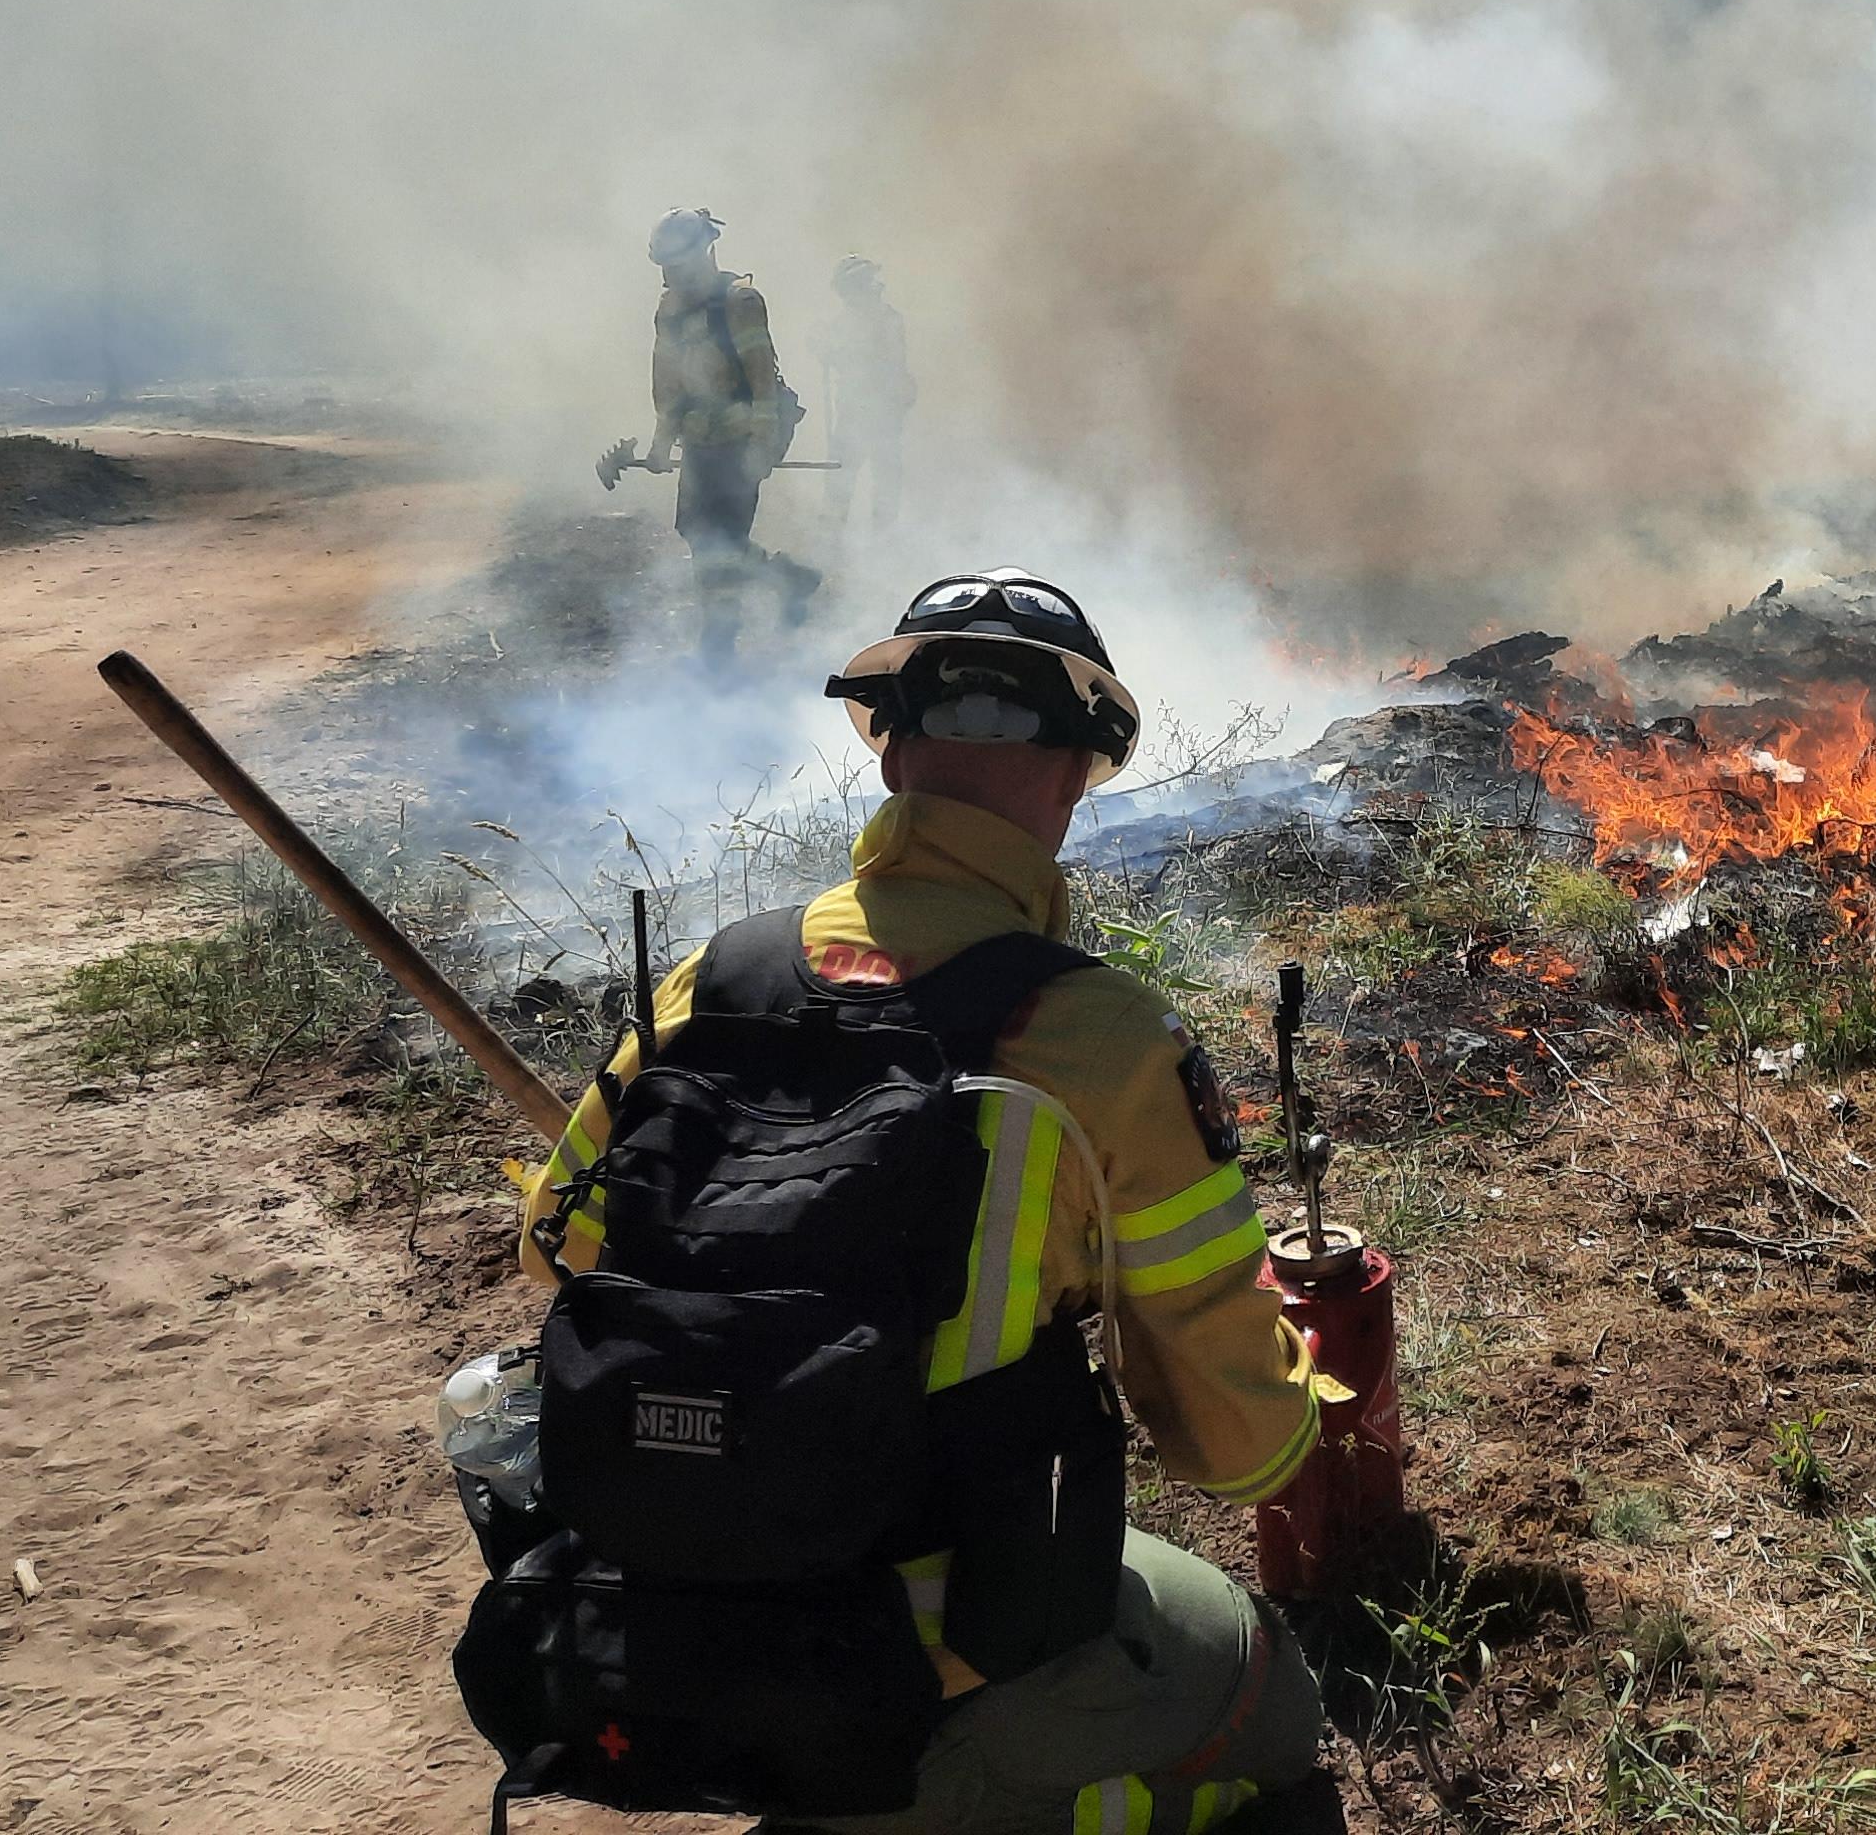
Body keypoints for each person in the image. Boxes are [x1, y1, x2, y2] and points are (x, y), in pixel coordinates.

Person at [511, 571, 1334, 1835]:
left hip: (674, 1604)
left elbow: (549, 1252)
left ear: (888, 755)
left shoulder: (713, 977)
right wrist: (1298, 1384)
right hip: (954, 1649)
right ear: (1074, 776)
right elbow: (1238, 1454)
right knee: (1272, 1707)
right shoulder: (1097, 1039)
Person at [618, 209, 823, 663]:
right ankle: (786, 578)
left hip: (740, 442)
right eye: (664, 267)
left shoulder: (740, 302)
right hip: (699, 442)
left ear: (705, 251)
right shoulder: (669, 310)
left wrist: (761, 448)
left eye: (677, 264)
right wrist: (659, 444)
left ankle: (718, 648)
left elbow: (763, 383)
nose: (670, 276)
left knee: (721, 549)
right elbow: (667, 385)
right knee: (697, 533)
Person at [829, 256, 919, 555]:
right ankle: (837, 536)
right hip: (855, 410)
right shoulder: (847, 320)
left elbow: (881, 362)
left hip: (880, 412)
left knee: (884, 478)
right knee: (843, 476)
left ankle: (882, 541)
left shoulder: (885, 320)